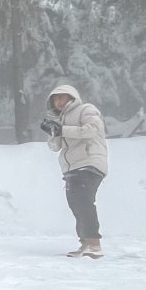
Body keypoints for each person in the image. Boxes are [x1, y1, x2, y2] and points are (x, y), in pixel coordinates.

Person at [40, 85, 109, 258]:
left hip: (89, 162)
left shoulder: (86, 109)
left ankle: (94, 243)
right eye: (55, 99)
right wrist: (53, 132)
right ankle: (86, 242)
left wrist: (62, 130)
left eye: (62, 97)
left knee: (84, 202)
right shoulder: (60, 120)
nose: (58, 102)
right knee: (76, 204)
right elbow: (54, 147)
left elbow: (91, 130)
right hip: (72, 168)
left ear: (72, 97)